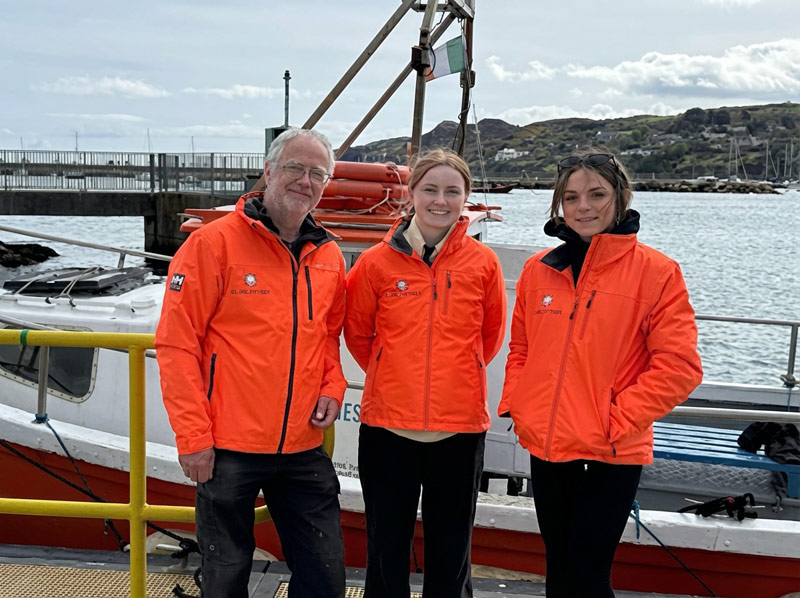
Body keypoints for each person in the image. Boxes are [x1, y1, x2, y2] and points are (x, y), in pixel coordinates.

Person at [498, 151, 703, 598]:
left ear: (620, 198)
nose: (583, 207)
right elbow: (521, 348)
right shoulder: (539, 270)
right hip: (549, 447)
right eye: (571, 197)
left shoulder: (657, 273)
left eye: (596, 194)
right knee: (559, 568)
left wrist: (615, 420)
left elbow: (680, 366)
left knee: (588, 576)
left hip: (610, 451)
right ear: (559, 206)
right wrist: (520, 403)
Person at [155, 128, 347, 598]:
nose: (306, 180)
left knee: (324, 574)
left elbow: (326, 339)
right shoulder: (212, 245)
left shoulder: (329, 255)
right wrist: (193, 438)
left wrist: (332, 387)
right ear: (268, 172)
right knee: (225, 576)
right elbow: (177, 346)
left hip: (302, 445)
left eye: (317, 173)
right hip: (227, 447)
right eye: (295, 168)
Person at [344, 148, 507, 598]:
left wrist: (454, 377)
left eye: (452, 191)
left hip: (459, 430)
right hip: (387, 430)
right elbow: (358, 336)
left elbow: (489, 337)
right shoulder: (375, 264)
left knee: (451, 553)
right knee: (386, 549)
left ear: (466, 198)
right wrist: (394, 372)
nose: (441, 200)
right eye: (430, 189)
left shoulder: (483, 264)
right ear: (412, 193)